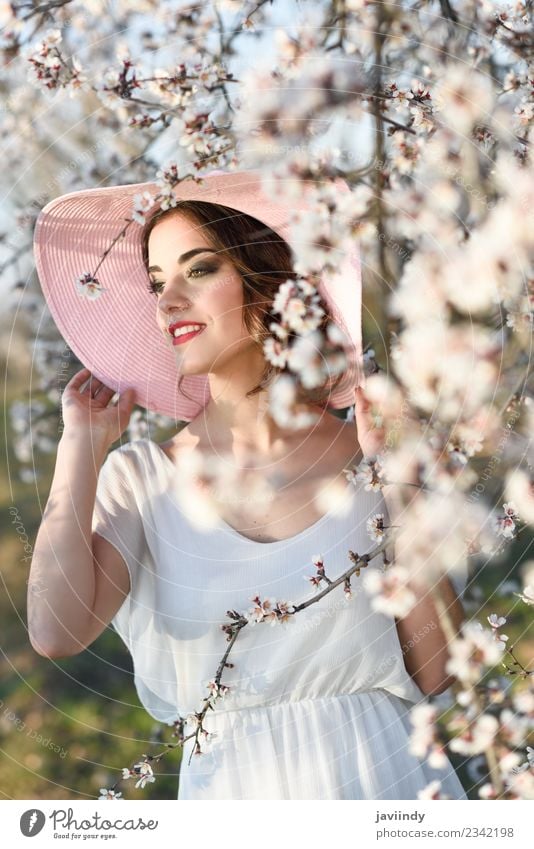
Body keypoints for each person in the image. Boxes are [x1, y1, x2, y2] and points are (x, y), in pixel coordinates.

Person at [29, 169, 468, 800]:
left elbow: (436, 670)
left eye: (198, 270)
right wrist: (81, 447)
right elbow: (54, 629)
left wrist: (403, 487)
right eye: (157, 283)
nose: (167, 300)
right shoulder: (141, 480)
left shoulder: (371, 455)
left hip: (384, 784)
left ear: (267, 283)